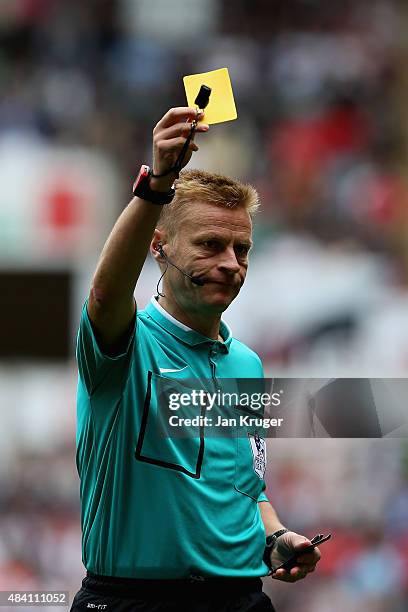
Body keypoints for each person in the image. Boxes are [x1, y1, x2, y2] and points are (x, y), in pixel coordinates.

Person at [71, 107, 321, 612]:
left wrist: (276, 537)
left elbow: (246, 485)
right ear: (159, 247)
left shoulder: (248, 364)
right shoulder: (125, 343)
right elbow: (104, 293)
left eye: (241, 249)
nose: (230, 264)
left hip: (241, 598)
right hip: (132, 600)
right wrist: (157, 184)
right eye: (210, 244)